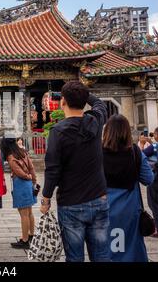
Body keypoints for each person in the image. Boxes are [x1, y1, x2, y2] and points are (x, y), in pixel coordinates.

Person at [41, 81, 110, 262]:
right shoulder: (95, 121)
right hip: (98, 198)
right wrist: (83, 93)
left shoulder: (58, 131)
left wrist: (46, 198)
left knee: (74, 257)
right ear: (84, 100)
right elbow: (100, 105)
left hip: (71, 203)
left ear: (62, 102)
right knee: (102, 255)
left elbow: (53, 169)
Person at [103, 115, 154, 262]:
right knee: (131, 246)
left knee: (107, 246)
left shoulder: (97, 152)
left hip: (104, 206)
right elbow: (148, 179)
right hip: (129, 207)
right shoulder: (134, 152)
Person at [1, 137, 38, 249]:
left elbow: (19, 172)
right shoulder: (23, 153)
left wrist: (27, 176)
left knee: (23, 214)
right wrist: (33, 180)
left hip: (21, 184)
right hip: (29, 184)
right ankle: (31, 235)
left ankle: (25, 240)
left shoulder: (11, 157)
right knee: (29, 212)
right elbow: (31, 167)